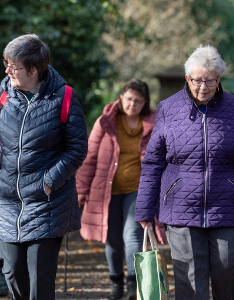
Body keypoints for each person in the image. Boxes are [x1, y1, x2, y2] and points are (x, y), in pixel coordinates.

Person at [135, 45, 234, 300]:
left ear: (219, 79)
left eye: (210, 80)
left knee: (228, 267)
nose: (203, 86)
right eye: (197, 80)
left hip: (227, 205)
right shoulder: (168, 108)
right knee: (189, 274)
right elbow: (153, 162)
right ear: (187, 78)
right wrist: (145, 209)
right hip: (180, 204)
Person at [0, 34, 88, 300]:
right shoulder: (2, 94)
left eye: (14, 67)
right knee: (12, 272)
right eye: (7, 64)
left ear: (34, 70)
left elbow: (76, 149)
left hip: (47, 203)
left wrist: (48, 181)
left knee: (40, 278)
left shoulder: (64, 97)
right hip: (6, 202)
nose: (7, 71)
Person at [76, 79, 166, 300]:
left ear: (145, 102)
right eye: (128, 99)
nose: (132, 104)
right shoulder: (105, 122)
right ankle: (116, 281)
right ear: (121, 98)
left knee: (133, 234)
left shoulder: (154, 124)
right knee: (113, 239)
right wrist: (81, 189)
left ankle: (133, 287)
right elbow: (90, 158)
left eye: (138, 100)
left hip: (140, 190)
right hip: (106, 191)